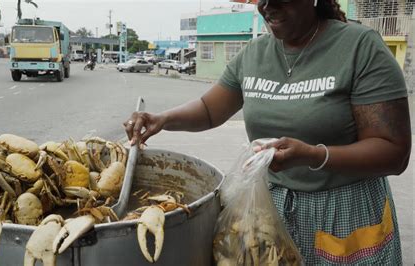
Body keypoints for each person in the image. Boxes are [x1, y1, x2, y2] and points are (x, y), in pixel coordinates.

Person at [123, 0, 411, 264]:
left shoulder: (359, 47)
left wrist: (313, 155)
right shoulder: (255, 53)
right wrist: (162, 119)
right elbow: (210, 109)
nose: (268, 7)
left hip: (344, 215)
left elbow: (393, 152)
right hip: (268, 215)